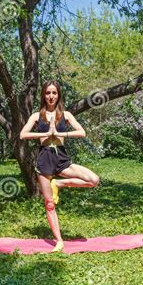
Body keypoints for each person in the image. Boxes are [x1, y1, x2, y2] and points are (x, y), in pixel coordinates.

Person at [19, 80, 100, 252]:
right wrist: (45, 133)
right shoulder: (36, 116)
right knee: (49, 203)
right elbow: (22, 134)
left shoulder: (66, 115)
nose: (51, 96)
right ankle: (59, 240)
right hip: (44, 160)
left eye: (54, 93)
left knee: (93, 180)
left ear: (58, 95)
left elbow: (82, 132)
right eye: (48, 93)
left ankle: (60, 183)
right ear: (43, 95)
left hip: (61, 158)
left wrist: (60, 133)